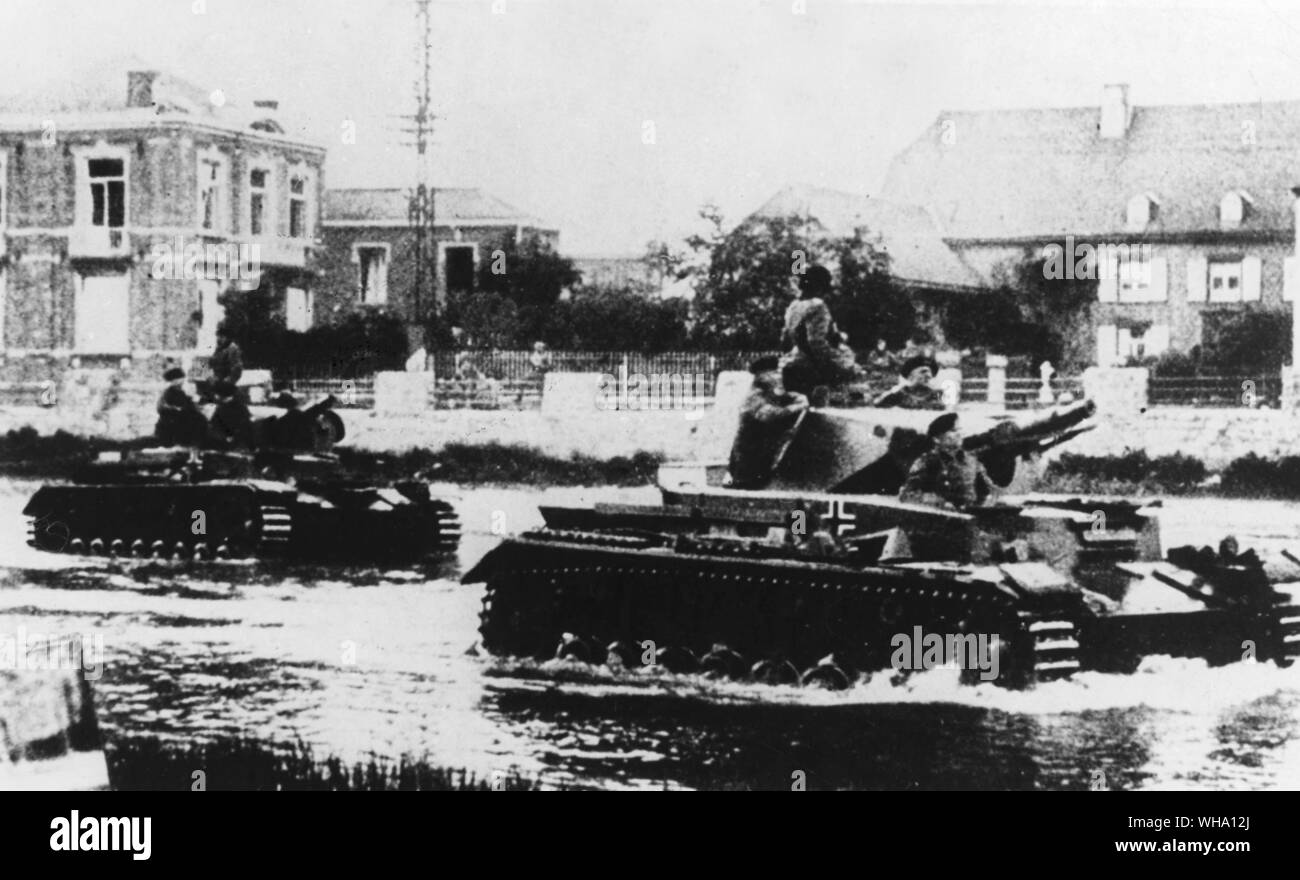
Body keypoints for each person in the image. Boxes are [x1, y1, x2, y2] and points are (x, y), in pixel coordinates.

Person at [728, 355, 810, 489]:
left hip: (762, 457)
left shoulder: (769, 393)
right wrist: (796, 407)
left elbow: (787, 397)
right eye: (773, 373)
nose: (777, 376)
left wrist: (799, 398)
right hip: (748, 462)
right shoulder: (754, 395)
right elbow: (768, 415)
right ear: (762, 375)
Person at [779, 265, 864, 394]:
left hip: (791, 366)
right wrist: (831, 368)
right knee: (855, 373)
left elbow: (785, 339)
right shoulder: (817, 306)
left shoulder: (793, 306)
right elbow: (816, 343)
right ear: (819, 287)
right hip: (809, 370)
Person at [900, 412, 993, 510]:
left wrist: (980, 507)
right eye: (953, 430)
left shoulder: (972, 461)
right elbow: (907, 496)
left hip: (969, 519)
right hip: (940, 518)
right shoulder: (927, 462)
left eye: (959, 430)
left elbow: (988, 492)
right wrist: (939, 502)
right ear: (937, 438)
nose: (959, 434)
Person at [155, 367, 206, 446]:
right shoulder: (171, 392)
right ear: (174, 380)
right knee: (199, 420)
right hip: (175, 422)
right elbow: (182, 406)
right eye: (180, 379)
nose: (182, 381)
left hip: (176, 419)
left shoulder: (176, 391)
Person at [873, 354, 945, 410]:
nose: (929, 376)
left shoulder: (936, 394)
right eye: (923, 372)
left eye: (930, 373)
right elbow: (877, 403)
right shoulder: (900, 393)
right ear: (911, 376)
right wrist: (894, 391)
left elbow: (942, 407)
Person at [207, 381, 252, 449]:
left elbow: (214, 424)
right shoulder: (241, 406)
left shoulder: (223, 408)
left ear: (219, 395)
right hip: (240, 440)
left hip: (225, 442)